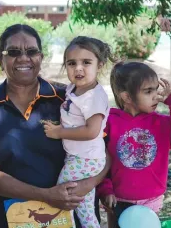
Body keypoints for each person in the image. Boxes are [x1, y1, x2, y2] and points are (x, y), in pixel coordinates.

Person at [0, 24, 110, 228]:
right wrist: (46, 196)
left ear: (40, 57)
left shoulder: (68, 100)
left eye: (31, 51)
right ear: (0, 60)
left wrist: (87, 185)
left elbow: (106, 154)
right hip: (8, 219)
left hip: (69, 217)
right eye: (13, 52)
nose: (23, 58)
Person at [97, 62, 171, 227]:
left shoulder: (161, 123)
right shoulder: (109, 122)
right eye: (148, 91)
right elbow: (99, 159)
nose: (156, 96)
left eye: (156, 89)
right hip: (116, 199)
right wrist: (105, 189)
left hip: (151, 201)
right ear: (126, 97)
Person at [43, 36, 113, 228]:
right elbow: (65, 90)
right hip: (81, 157)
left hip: (86, 160)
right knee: (85, 208)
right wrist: (44, 81)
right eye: (72, 63)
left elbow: (92, 131)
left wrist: (59, 132)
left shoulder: (94, 97)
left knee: (62, 196)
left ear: (100, 65)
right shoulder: (77, 88)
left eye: (86, 62)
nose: (78, 68)